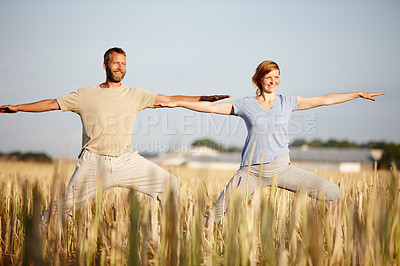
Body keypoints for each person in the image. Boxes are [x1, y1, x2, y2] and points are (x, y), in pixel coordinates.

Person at [0, 47, 229, 227]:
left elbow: (169, 100)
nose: (120, 67)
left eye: (123, 63)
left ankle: (174, 234)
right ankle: (35, 238)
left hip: (125, 160)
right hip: (93, 163)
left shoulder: (135, 94)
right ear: (105, 65)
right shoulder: (84, 95)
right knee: (62, 208)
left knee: (170, 183)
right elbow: (52, 103)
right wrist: (19, 107)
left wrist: (203, 98)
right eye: (116, 62)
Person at [160, 60, 385, 224]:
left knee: (333, 192)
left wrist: (357, 94)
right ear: (259, 79)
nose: (273, 81)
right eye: (268, 76)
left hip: (281, 168)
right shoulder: (246, 104)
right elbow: (209, 107)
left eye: (277, 77)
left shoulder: (287, 102)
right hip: (250, 172)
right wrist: (177, 102)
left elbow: (324, 99)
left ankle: (332, 235)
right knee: (214, 215)